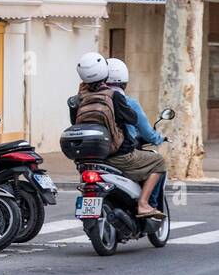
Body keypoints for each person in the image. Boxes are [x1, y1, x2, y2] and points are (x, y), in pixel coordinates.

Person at [69, 52, 164, 218]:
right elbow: (133, 119)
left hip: (87, 160)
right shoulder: (115, 97)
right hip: (118, 156)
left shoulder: (76, 100)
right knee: (159, 162)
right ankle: (143, 204)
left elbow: (74, 123)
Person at [106, 58, 162, 147]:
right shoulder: (130, 103)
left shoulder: (90, 100)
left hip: (98, 149)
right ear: (124, 84)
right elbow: (146, 132)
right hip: (122, 151)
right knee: (158, 160)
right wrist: (159, 139)